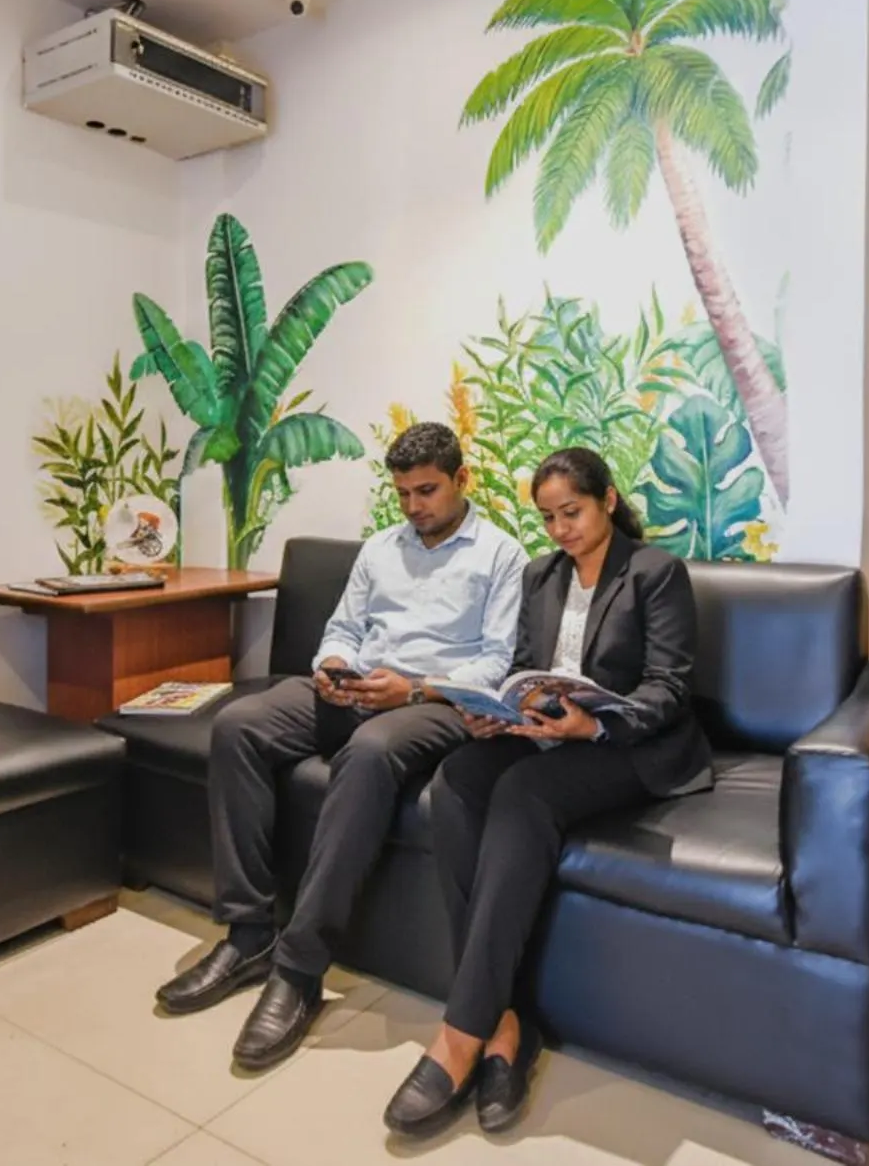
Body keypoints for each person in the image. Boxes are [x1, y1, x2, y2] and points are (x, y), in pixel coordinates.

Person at [155, 422, 527, 1072]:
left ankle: (298, 969)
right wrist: (332, 663)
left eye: (428, 490)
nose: (414, 506)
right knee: (238, 724)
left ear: (461, 480)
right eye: (404, 492)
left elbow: (496, 665)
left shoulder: (502, 555)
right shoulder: (382, 548)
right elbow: (344, 627)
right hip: (356, 688)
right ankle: (247, 934)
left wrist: (412, 688)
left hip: (434, 704)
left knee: (369, 752)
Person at [382, 446, 713, 1138]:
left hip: (630, 746)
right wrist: (491, 708)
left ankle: (464, 1032)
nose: (560, 528)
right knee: (459, 779)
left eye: (573, 512)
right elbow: (521, 666)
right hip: (546, 731)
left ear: (609, 501)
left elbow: (669, 689)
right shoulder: (541, 576)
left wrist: (595, 721)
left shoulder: (655, 573)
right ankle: (508, 1024)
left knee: (526, 794)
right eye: (548, 517)